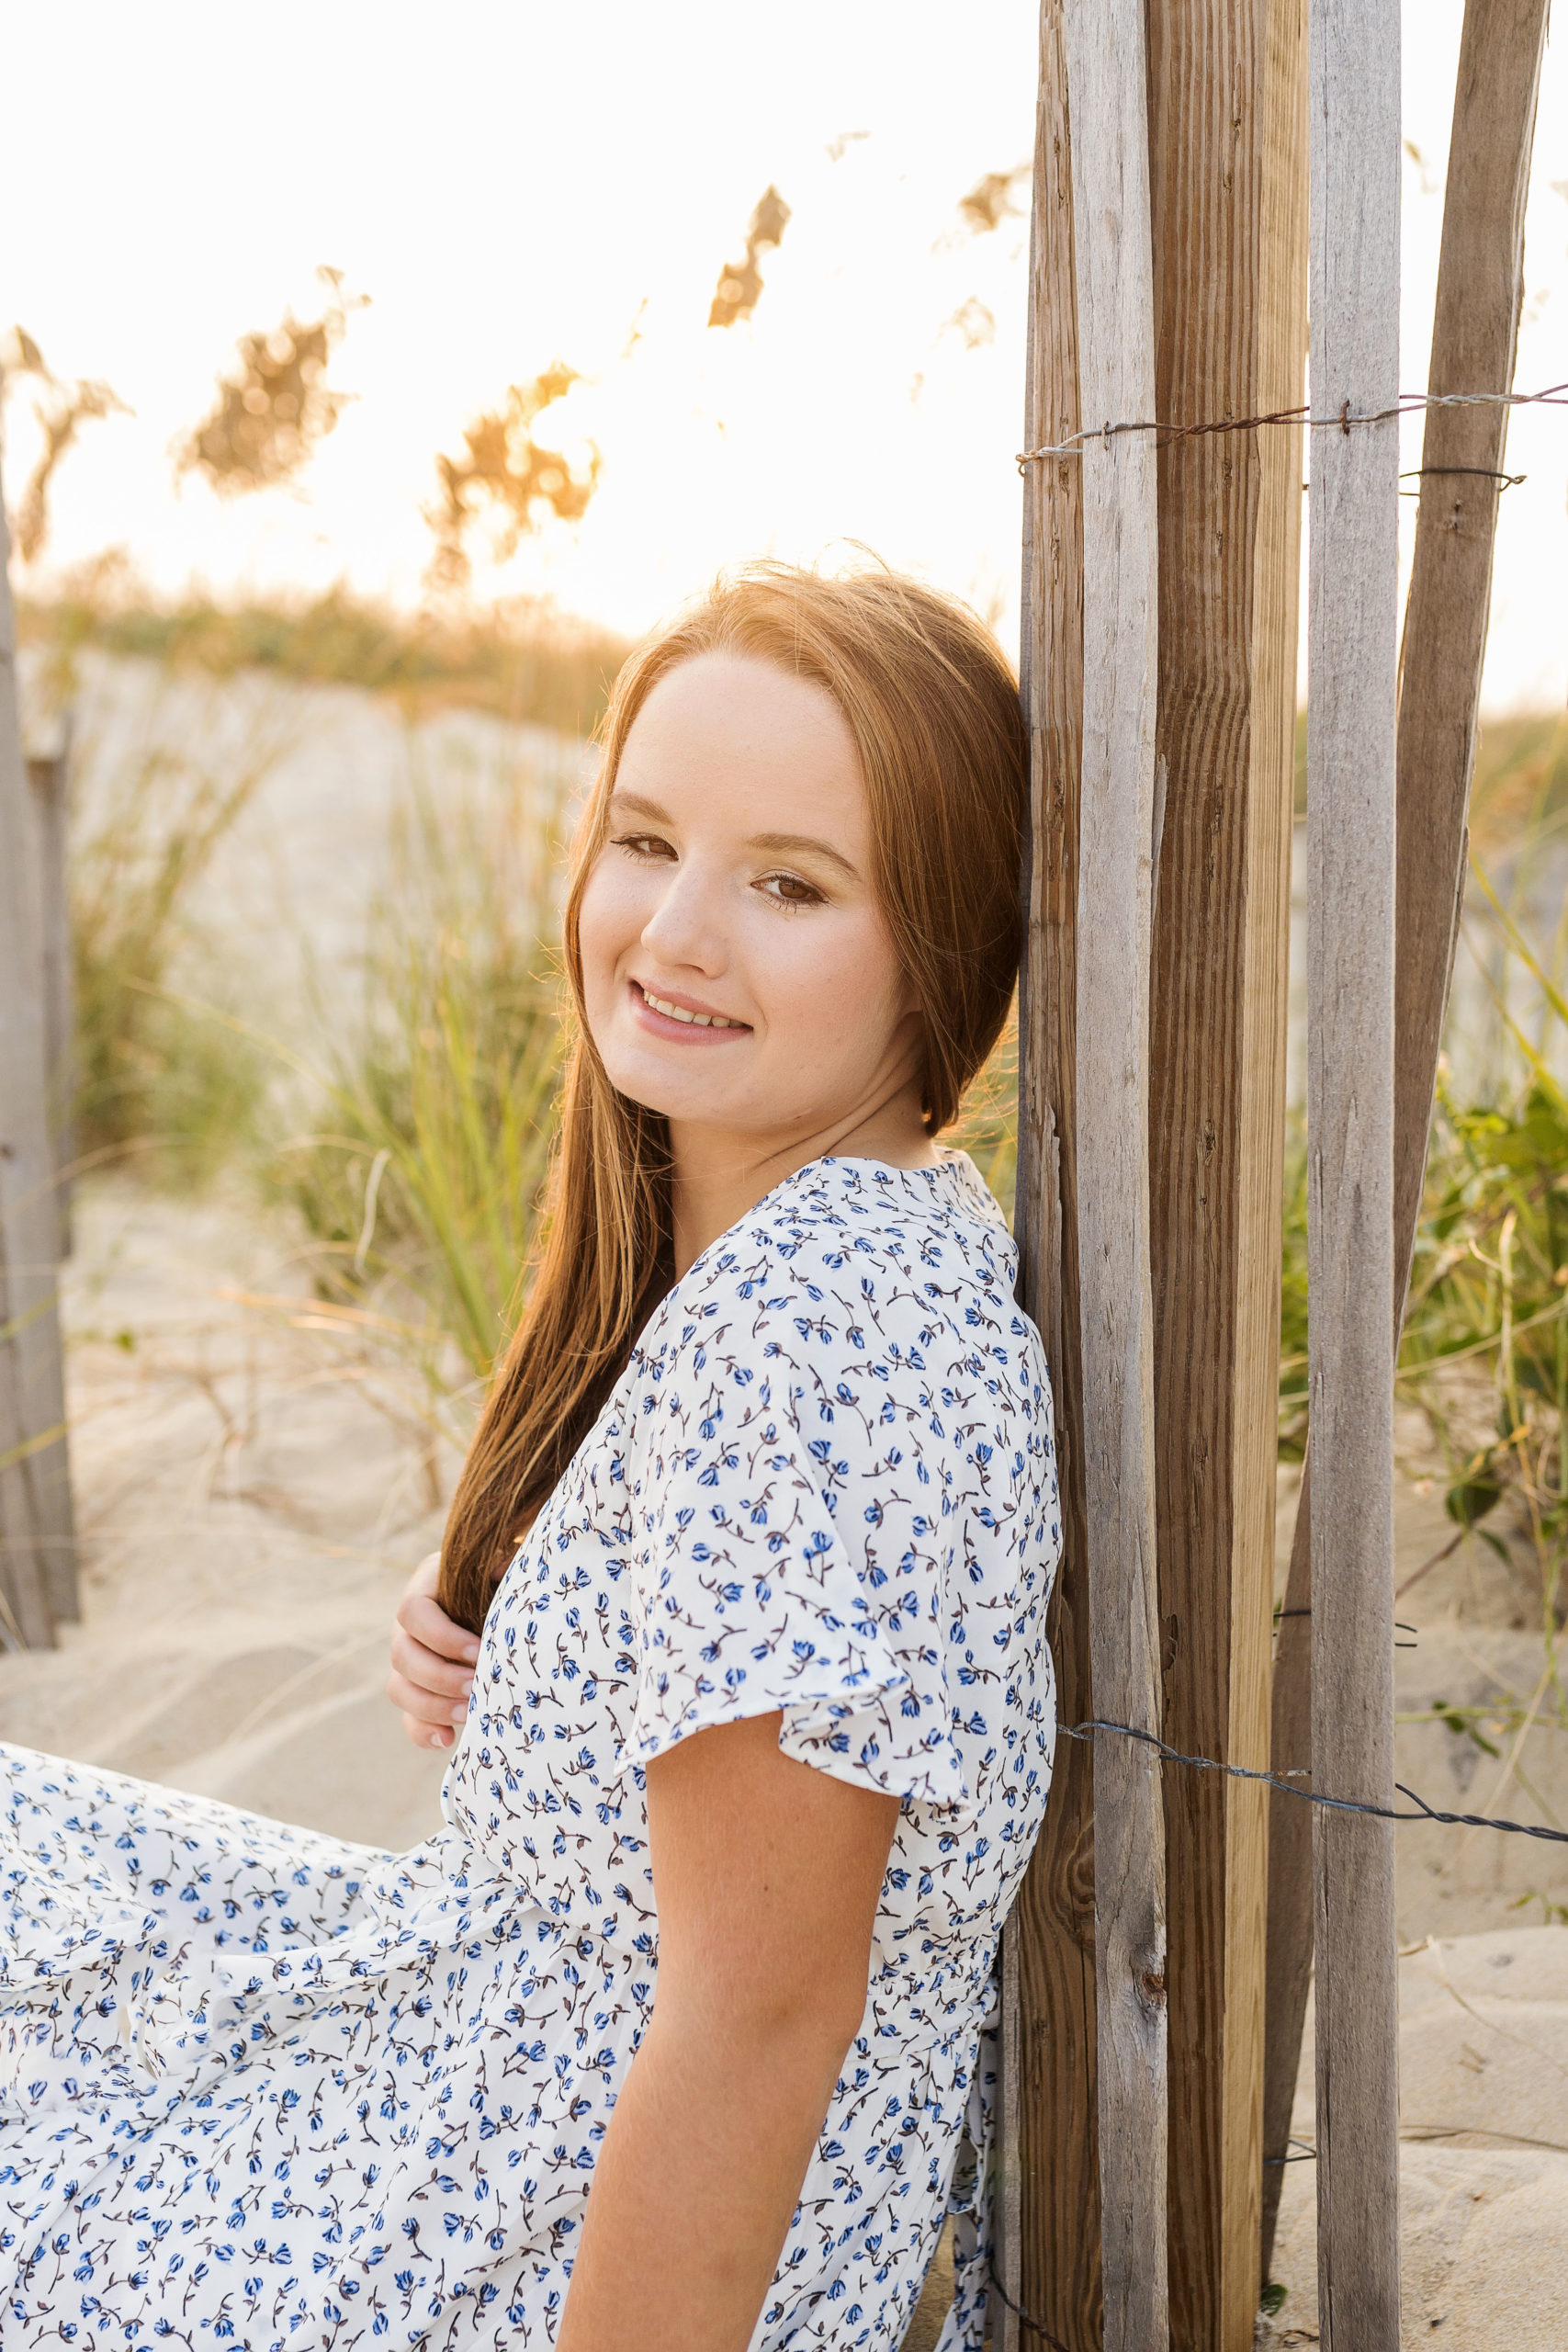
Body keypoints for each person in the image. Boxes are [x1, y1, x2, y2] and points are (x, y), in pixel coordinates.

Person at [1, 562, 1060, 2352]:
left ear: (939, 937)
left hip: (490, 2235)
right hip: (472, 2061)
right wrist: (555, 1654)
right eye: (644, 839)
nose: (673, 931)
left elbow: (756, 2016)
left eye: (788, 882)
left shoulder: (810, 1328)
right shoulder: (846, 1245)